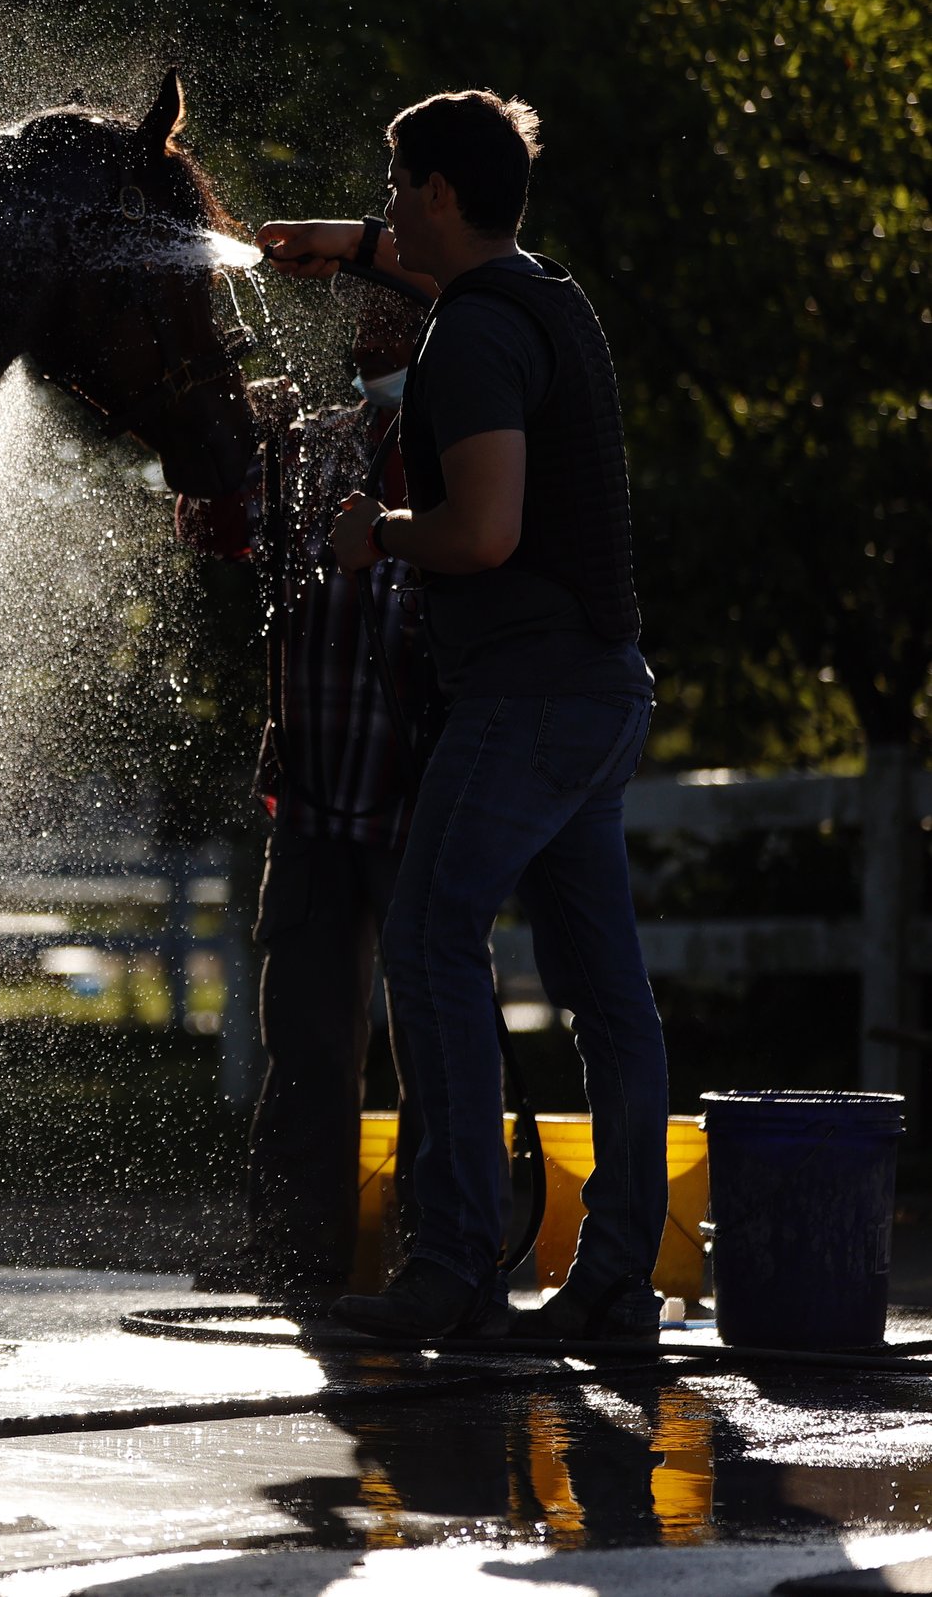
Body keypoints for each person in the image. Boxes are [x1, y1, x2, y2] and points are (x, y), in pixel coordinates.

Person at [257, 90, 668, 1343]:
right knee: (608, 994)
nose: (384, 206)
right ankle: (611, 1284)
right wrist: (338, 239)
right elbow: (426, 264)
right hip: (600, 691)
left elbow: (482, 531)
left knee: (431, 937)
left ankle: (452, 1266)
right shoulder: (543, 294)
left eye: (392, 186)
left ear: (438, 192)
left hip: (523, 699)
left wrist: (376, 535)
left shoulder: (472, 342)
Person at [178, 282, 431, 1302]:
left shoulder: (463, 446)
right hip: (321, 791)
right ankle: (293, 1248)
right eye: (367, 323)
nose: (374, 336)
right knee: (306, 1038)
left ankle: (438, 1252)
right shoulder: (316, 444)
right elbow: (212, 528)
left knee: (438, 1042)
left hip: (422, 794)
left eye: (394, 323)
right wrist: (241, 437)